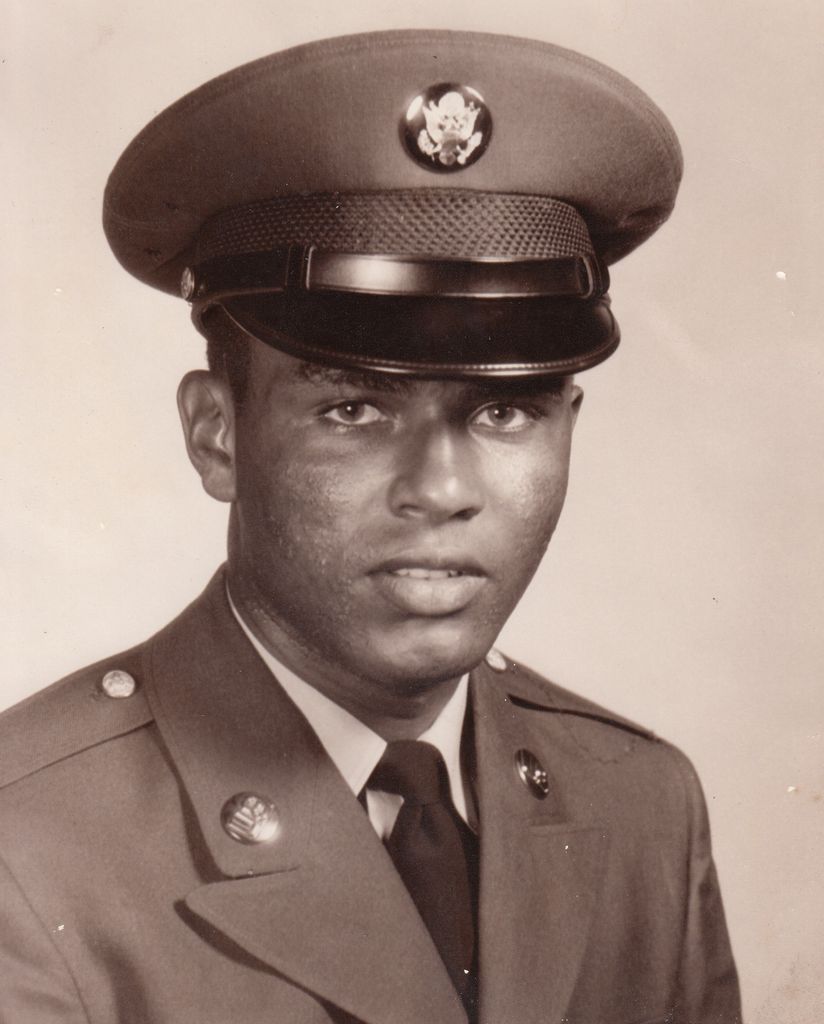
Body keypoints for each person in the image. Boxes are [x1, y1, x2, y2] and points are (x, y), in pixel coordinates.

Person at [0, 29, 742, 1024]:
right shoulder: (28, 846)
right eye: (353, 408)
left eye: (503, 411)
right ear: (217, 436)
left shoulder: (643, 804)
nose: (441, 489)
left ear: (569, 425)